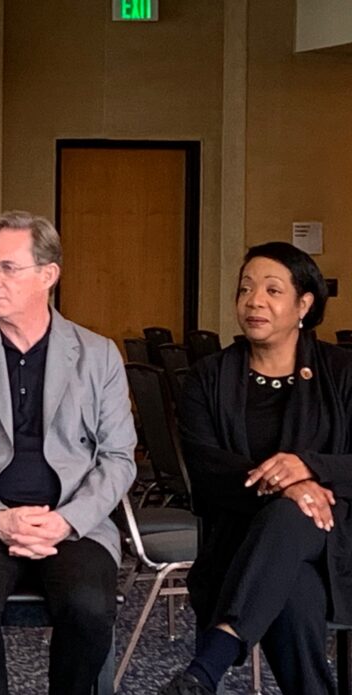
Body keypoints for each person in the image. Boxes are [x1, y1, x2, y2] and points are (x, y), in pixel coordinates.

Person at [0, 211, 136, 695]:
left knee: (89, 606)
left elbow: (119, 458)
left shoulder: (98, 355)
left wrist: (66, 521)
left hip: (74, 520)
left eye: (7, 268)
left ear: (48, 275)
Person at [160, 242, 350, 695]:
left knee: (292, 518)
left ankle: (209, 665)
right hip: (241, 540)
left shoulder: (343, 371)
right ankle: (207, 669)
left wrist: (308, 467)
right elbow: (205, 468)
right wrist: (286, 487)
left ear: (304, 304)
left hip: (338, 539)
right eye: (245, 289)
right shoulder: (208, 377)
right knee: (293, 585)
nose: (254, 301)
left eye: (272, 290)